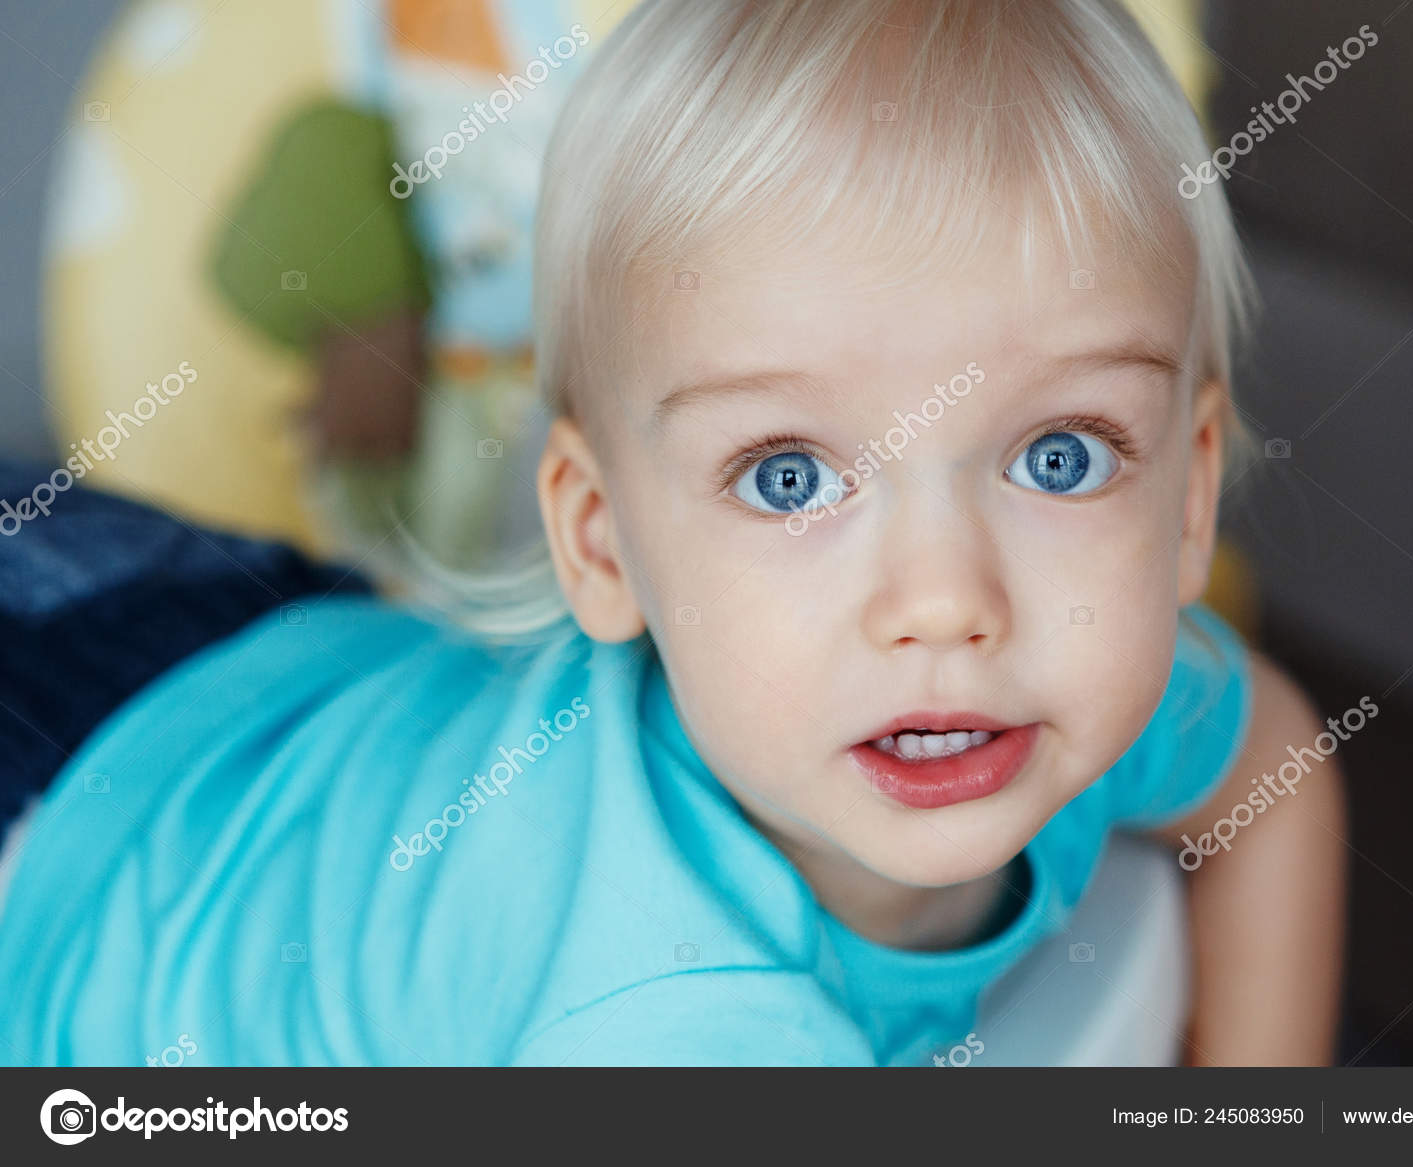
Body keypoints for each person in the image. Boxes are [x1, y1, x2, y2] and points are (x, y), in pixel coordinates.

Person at [0, 0, 1344, 1066]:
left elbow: (1273, 776)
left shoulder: (1058, 685)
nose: (945, 601)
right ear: (600, 544)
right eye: (788, 479)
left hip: (267, 675)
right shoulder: (676, 1023)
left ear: (1183, 498)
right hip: (77, 833)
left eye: (1059, 458)